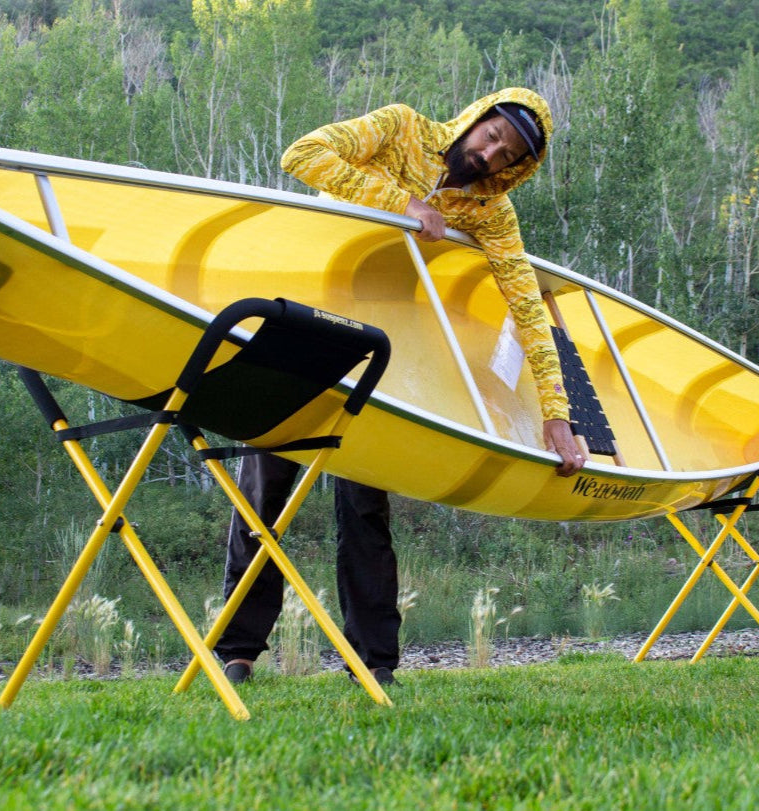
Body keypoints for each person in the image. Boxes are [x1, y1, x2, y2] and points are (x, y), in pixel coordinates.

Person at [215, 87, 586, 685]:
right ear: (477, 118)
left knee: (365, 502)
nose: (489, 154)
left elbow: (527, 308)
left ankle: (374, 661)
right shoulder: (402, 128)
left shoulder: (491, 211)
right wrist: (403, 202)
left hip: (377, 348)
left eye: (507, 155)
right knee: (264, 487)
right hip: (302, 315)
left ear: (517, 168)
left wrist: (556, 414)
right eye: (491, 136)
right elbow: (302, 154)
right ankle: (238, 651)